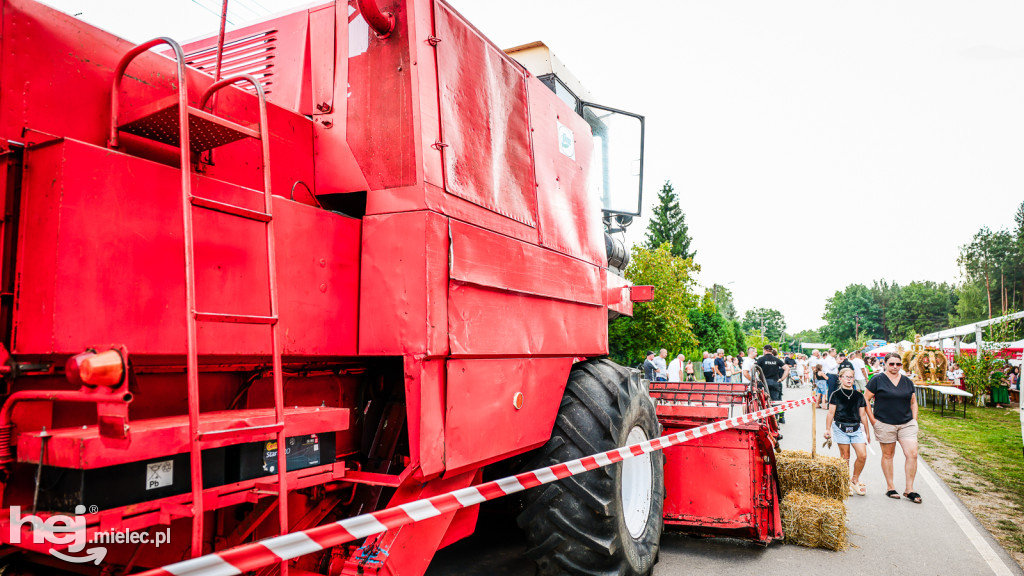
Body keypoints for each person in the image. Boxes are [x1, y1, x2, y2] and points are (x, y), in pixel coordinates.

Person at [865, 352, 921, 504]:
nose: (895, 367)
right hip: (884, 422)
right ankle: (890, 487)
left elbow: (913, 402)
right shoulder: (877, 380)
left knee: (912, 454)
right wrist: (873, 421)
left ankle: (909, 489)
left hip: (906, 423)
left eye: (898, 364)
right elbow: (865, 399)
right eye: (891, 364)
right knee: (888, 455)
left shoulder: (907, 381)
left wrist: (914, 420)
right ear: (885, 364)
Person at [824, 368, 871, 496]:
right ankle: (845, 482)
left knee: (862, 455)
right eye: (846, 377)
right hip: (840, 428)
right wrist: (827, 429)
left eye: (851, 377)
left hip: (856, 428)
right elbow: (830, 413)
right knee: (845, 457)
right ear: (840, 378)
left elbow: (863, 416)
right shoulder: (835, 394)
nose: (849, 379)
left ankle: (854, 479)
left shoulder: (859, 396)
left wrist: (867, 433)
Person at [756, 345, 789, 425]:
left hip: (764, 383)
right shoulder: (776, 359)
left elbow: (754, 369)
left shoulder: (761, 359)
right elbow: (787, 368)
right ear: (771, 350)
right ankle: (776, 421)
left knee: (762, 402)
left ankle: (763, 419)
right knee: (775, 402)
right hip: (775, 382)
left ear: (765, 350)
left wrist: (758, 377)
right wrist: (782, 379)